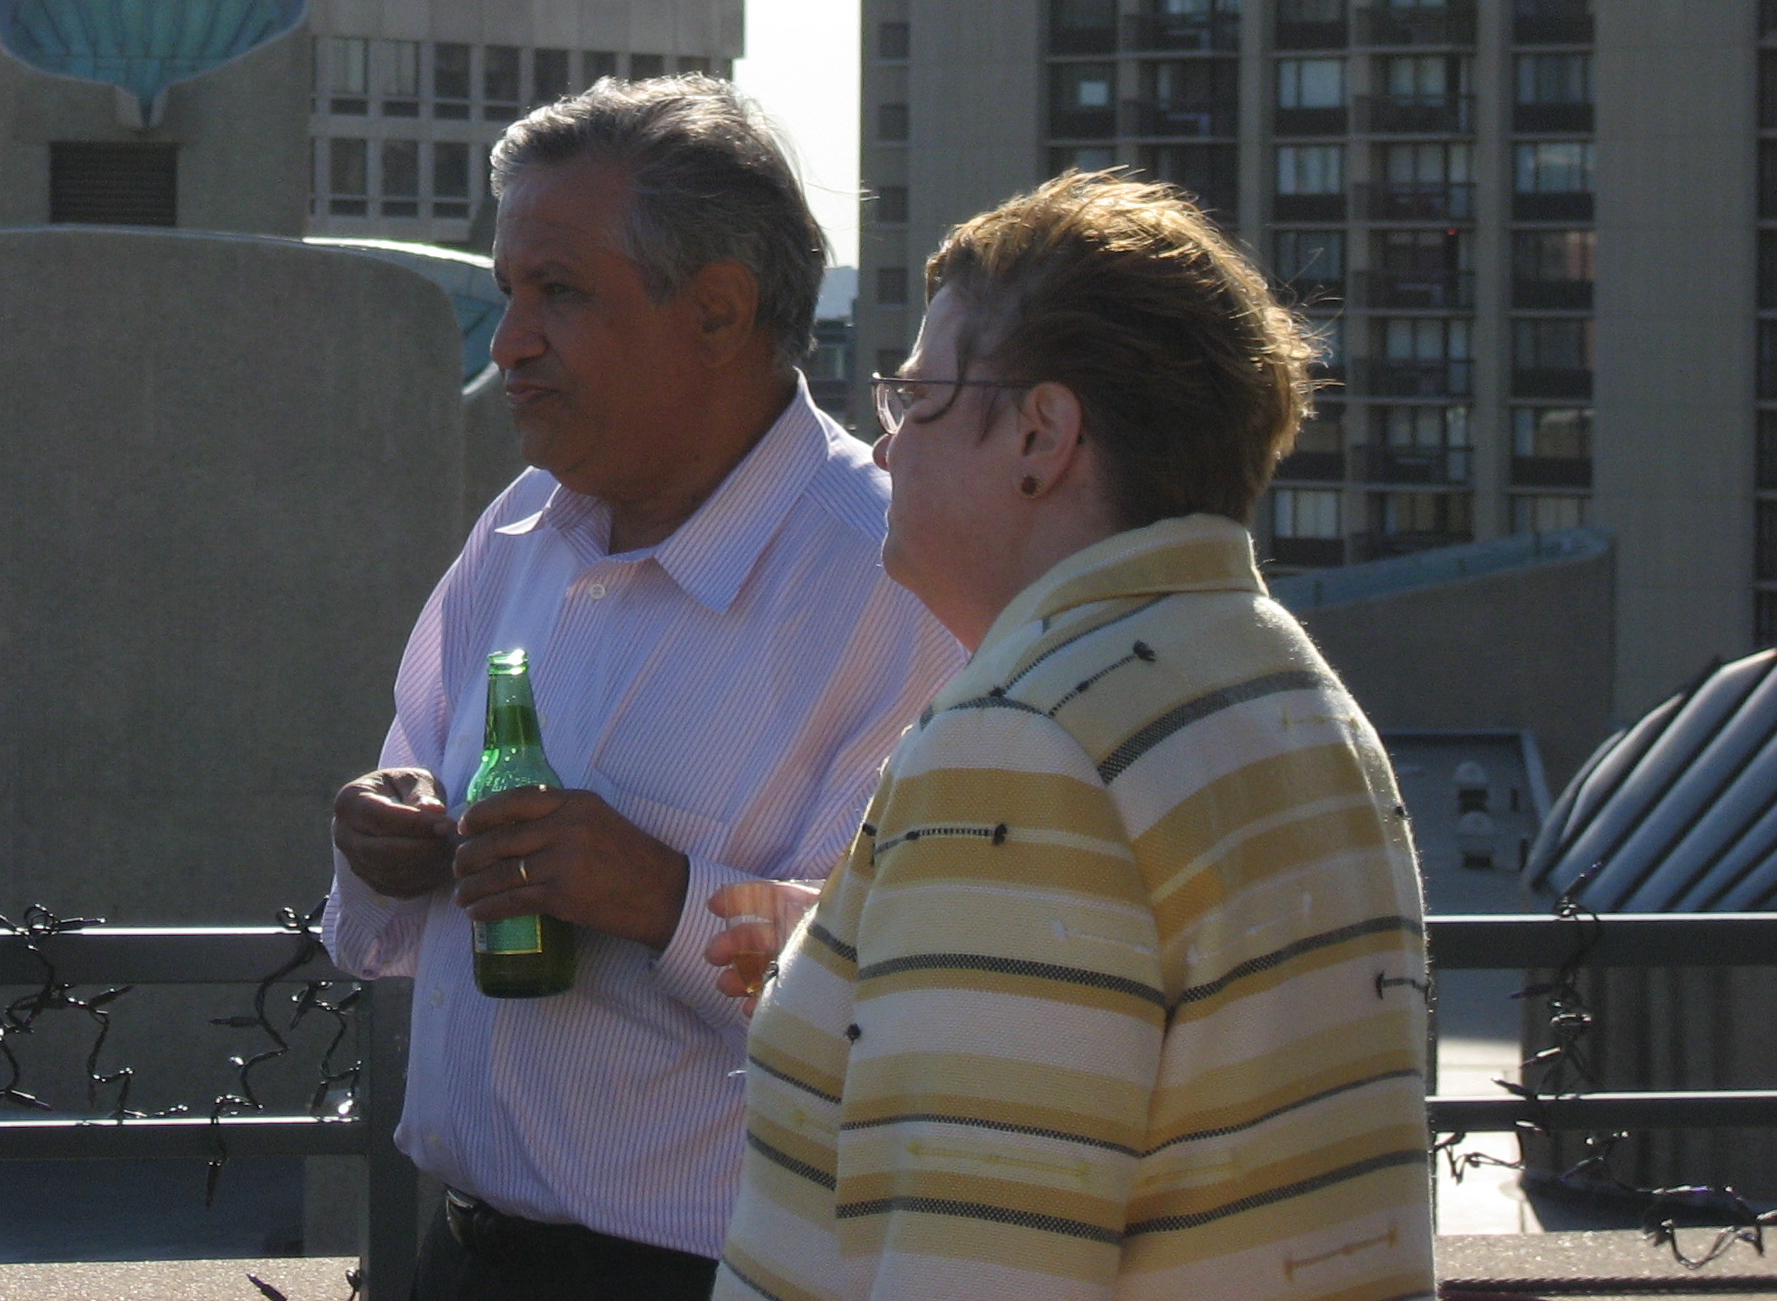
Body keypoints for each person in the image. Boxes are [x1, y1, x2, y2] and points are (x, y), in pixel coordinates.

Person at [715, 172, 1434, 1301]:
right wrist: (886, 946)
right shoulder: (1283, 687)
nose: (884, 449)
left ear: (1040, 436)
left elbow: (973, 1264)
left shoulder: (1020, 744)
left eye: (913, 401)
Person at [326, 78, 959, 1300]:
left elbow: (937, 998)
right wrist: (377, 837)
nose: (508, 341)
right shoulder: (518, 527)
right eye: (508, 288)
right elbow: (380, 920)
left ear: (717, 312)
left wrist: (665, 902)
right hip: (459, 1257)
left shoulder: (894, 580)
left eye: (556, 292)